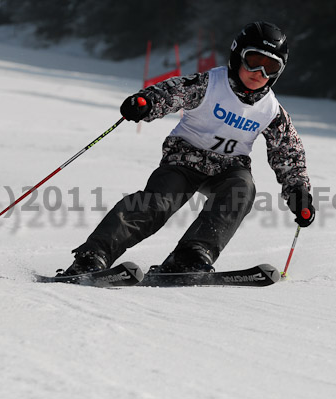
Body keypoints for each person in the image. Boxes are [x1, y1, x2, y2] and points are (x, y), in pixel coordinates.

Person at [58, 21, 315, 276]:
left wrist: (299, 192)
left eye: (270, 67)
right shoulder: (209, 84)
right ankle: (95, 254)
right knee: (157, 203)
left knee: (241, 190)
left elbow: (289, 152)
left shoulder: (271, 111)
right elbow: (173, 92)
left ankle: (191, 255)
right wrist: (146, 102)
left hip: (229, 169)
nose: (259, 72)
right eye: (253, 60)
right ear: (238, 55)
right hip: (185, 160)